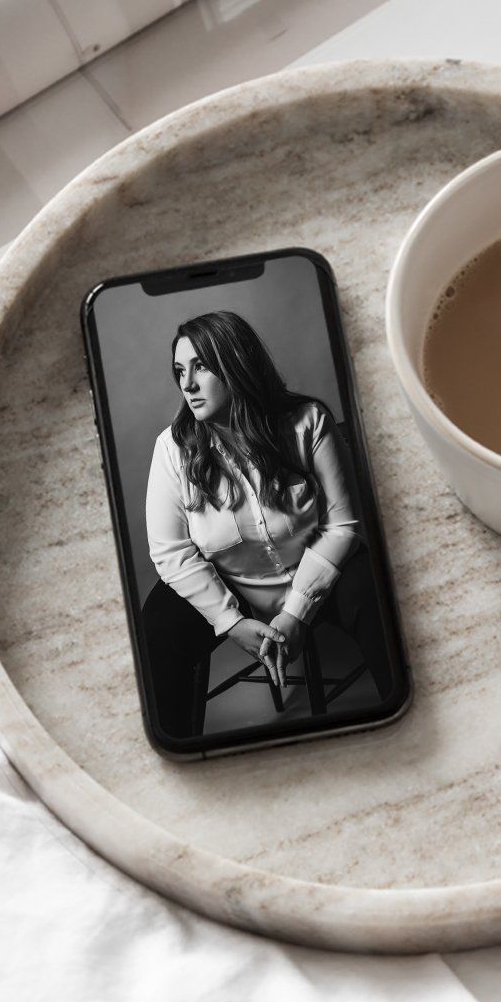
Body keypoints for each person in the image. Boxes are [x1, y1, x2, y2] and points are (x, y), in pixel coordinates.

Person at [141, 309, 378, 740]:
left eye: (202, 367)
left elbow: (344, 525)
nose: (188, 385)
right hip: (234, 583)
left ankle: (400, 715)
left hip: (317, 575)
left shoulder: (308, 421)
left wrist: (296, 613)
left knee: (371, 589)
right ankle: (178, 748)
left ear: (237, 363)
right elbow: (170, 551)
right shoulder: (173, 448)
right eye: (180, 371)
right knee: (158, 622)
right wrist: (230, 622)